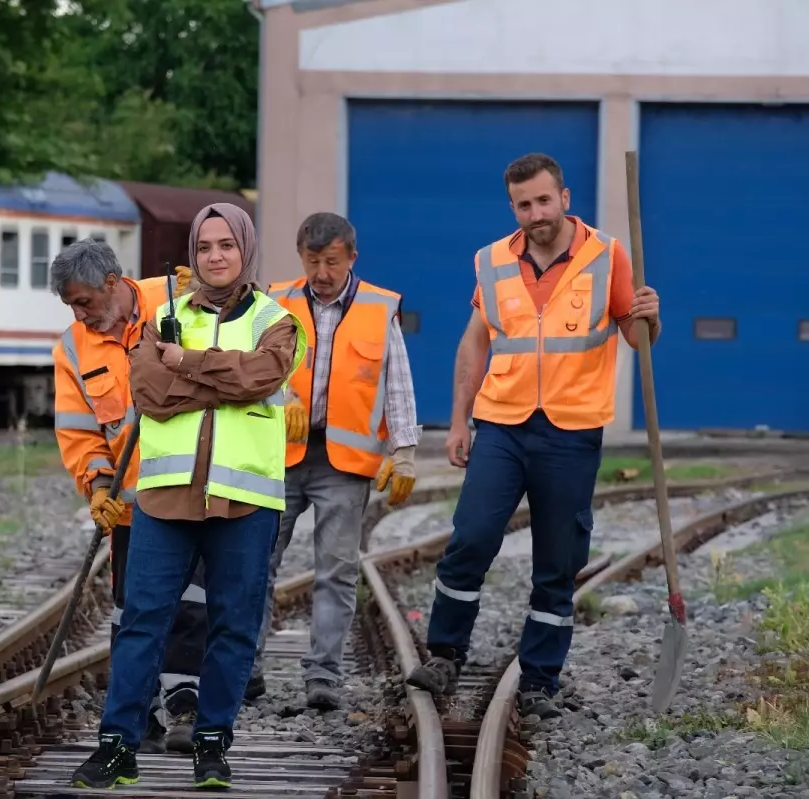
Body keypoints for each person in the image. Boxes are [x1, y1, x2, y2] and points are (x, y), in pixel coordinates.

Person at [407, 153, 661, 719]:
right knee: (470, 539)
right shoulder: (493, 261)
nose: (535, 213)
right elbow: (475, 342)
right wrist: (458, 420)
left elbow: (636, 339)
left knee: (557, 561)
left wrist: (648, 316)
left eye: (544, 200)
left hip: (571, 432)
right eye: (524, 204)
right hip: (502, 424)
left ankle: (540, 680)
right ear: (513, 207)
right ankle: (446, 654)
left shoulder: (607, 255)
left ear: (565, 198)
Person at [69, 203, 307, 790]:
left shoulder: (279, 320)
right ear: (194, 254)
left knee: (233, 625)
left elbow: (264, 376)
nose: (215, 256)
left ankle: (210, 743)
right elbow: (148, 391)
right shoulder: (164, 318)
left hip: (244, 500)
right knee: (141, 622)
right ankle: (117, 745)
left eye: (226, 245)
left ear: (245, 250)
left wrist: (188, 367)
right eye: (205, 247)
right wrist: (218, 378)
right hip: (165, 497)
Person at [251, 212, 422, 711]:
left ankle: (323, 676)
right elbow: (251, 365)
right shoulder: (275, 303)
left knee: (336, 572)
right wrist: (282, 399)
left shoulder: (378, 308)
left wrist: (405, 452)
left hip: (343, 464)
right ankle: (245, 669)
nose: (321, 272)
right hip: (276, 456)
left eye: (331, 261)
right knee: (254, 566)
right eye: (311, 260)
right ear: (300, 256)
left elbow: (397, 382)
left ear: (351, 257)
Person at [50, 239, 209, 754]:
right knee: (130, 609)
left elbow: (240, 346)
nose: (80, 314)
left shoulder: (178, 298)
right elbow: (79, 430)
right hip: (132, 499)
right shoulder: (73, 347)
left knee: (191, 600)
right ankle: (137, 707)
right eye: (72, 306)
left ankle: (185, 704)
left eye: (85, 302)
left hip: (191, 487)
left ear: (113, 285)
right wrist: (97, 485)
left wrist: (206, 299)